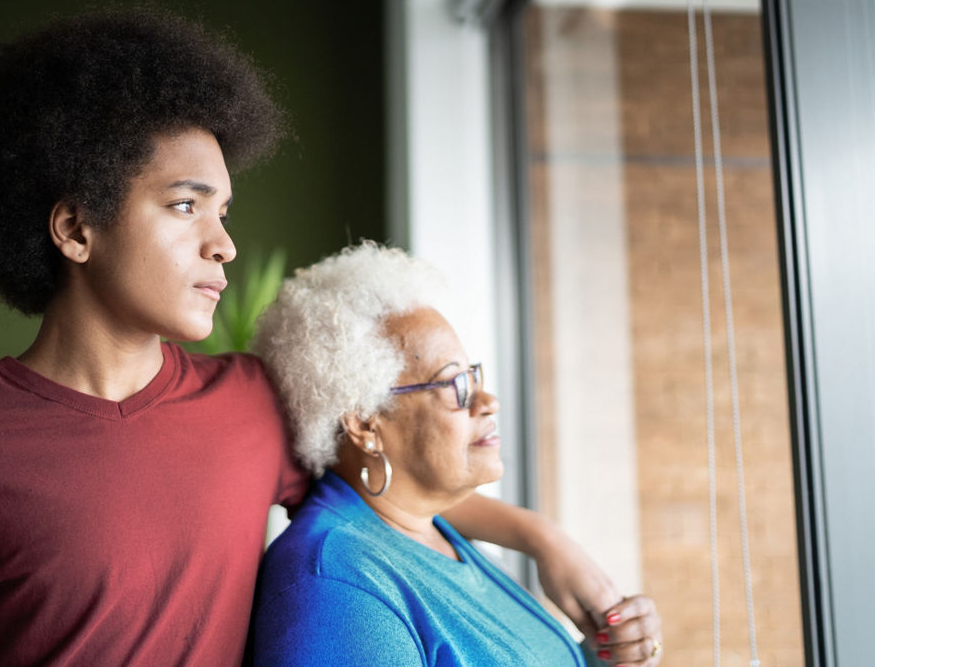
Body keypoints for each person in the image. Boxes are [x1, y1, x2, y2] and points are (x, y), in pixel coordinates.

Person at [0, 6, 633, 667]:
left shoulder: (250, 404)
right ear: (76, 228)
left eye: (224, 212)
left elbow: (392, 490)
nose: (224, 245)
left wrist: (541, 537)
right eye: (186, 206)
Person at [249, 243, 666, 667]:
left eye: (472, 376)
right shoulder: (339, 587)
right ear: (365, 424)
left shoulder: (433, 531)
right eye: (455, 385)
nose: (488, 401)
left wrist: (605, 657)